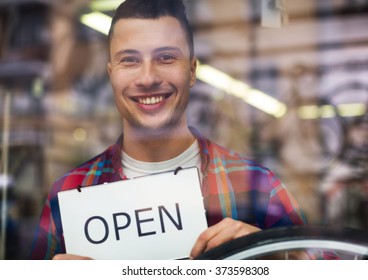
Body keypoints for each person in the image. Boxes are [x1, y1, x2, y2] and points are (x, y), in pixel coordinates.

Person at [30, 0, 306, 260]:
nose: (148, 78)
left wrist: (276, 257)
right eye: (130, 60)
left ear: (192, 70)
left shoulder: (258, 186)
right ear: (111, 73)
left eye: (165, 57)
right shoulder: (69, 193)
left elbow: (328, 265)